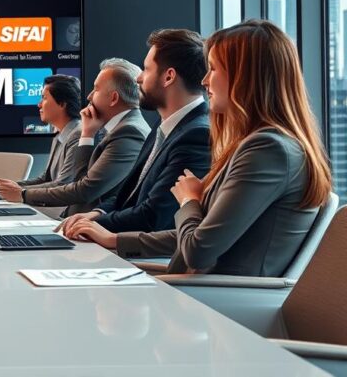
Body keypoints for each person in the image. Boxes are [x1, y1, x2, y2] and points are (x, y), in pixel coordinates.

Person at [68, 20, 333, 276]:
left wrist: (189, 200)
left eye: (214, 69)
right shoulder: (258, 145)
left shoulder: (267, 150)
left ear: (244, 77)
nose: (205, 81)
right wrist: (114, 240)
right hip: (200, 285)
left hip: (217, 296)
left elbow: (198, 251)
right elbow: (201, 235)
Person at [59, 29, 211, 235]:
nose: (138, 78)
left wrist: (97, 225)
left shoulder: (196, 135)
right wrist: (95, 213)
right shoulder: (164, 126)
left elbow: (153, 216)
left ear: (168, 77)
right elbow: (129, 194)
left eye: (146, 69)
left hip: (143, 249)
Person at [0, 59, 150, 216]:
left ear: (114, 98)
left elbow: (84, 189)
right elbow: (80, 181)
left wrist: (23, 194)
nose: (89, 96)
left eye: (96, 89)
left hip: (91, 223)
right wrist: (88, 134)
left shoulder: (128, 133)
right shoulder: (114, 128)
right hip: (79, 219)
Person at [13, 75, 83, 186]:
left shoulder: (77, 136)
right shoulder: (59, 136)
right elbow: (46, 178)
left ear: (62, 104)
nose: (39, 104)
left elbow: (62, 185)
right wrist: (10, 186)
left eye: (44, 98)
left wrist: (19, 192)